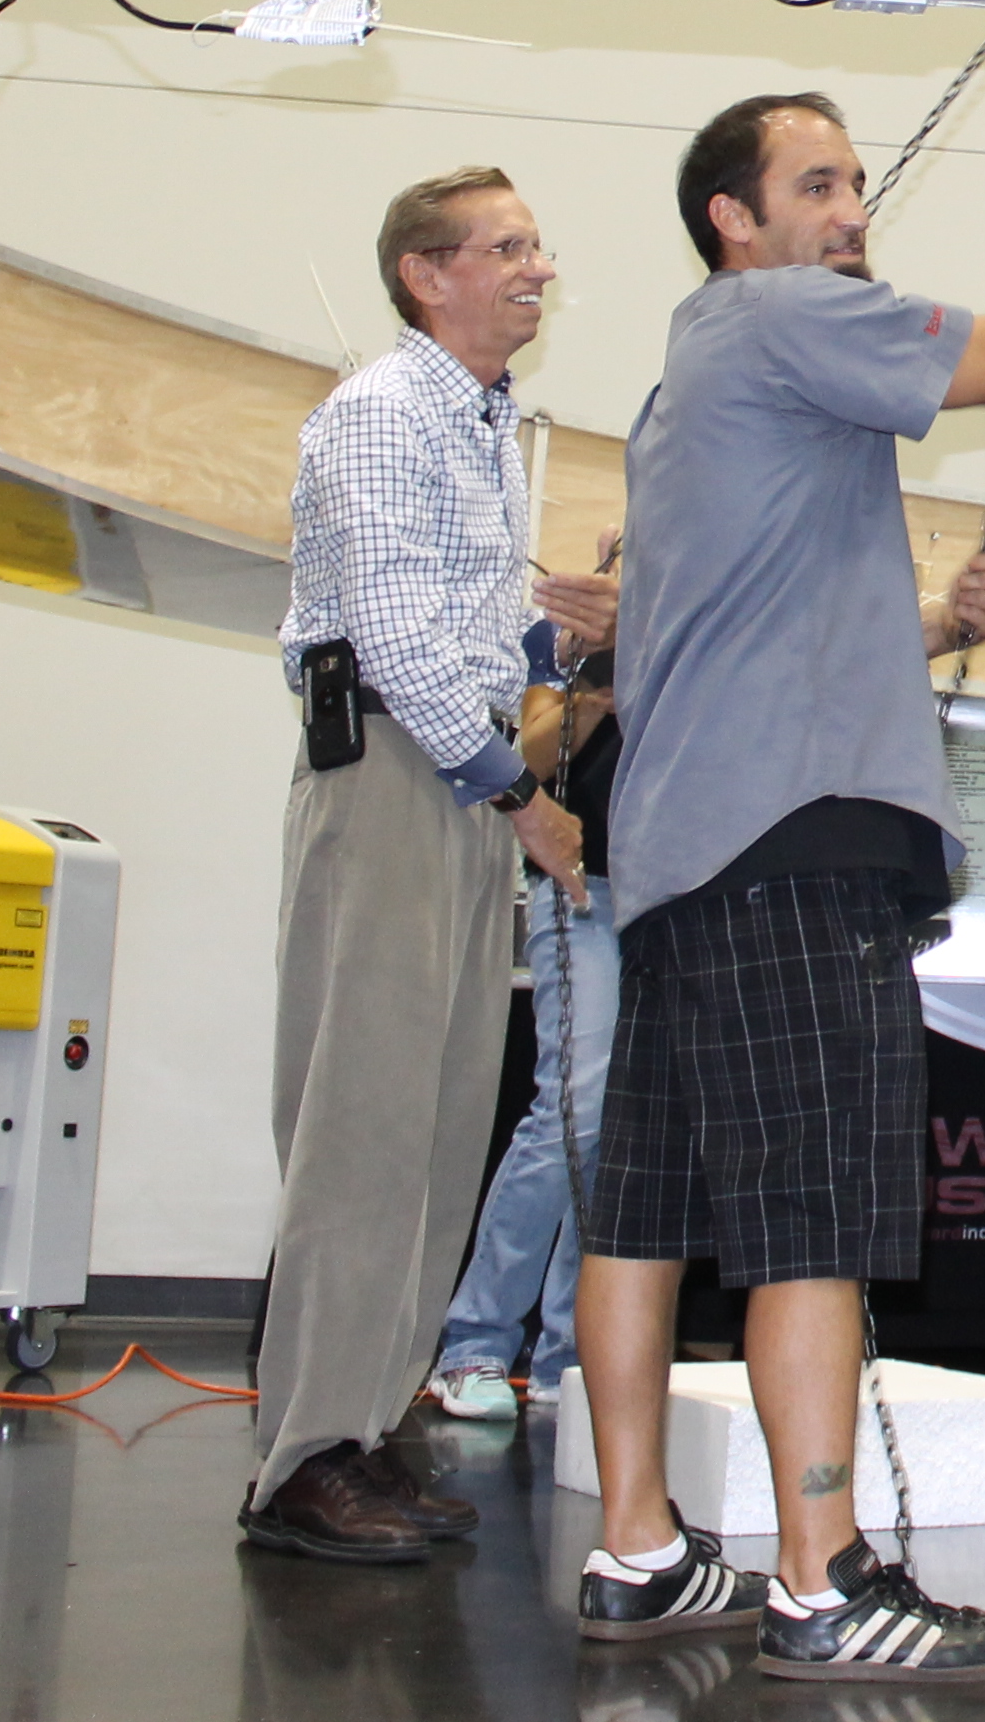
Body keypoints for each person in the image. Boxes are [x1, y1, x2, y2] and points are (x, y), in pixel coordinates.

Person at [569, 81, 985, 1685]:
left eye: (857, 183)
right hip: (796, 844)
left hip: (686, 856)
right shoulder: (786, 315)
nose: (851, 211)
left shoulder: (688, 379)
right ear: (734, 222)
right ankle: (820, 1580)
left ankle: (638, 1548)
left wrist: (930, 627)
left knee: (646, 1210)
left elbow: (749, 615)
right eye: (815, 185)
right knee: (811, 1216)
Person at [248, 169, 594, 1563]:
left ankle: (361, 1427)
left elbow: (463, 630)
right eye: (508, 248)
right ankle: (301, 1461)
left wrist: (560, 643)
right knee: (362, 1131)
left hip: (450, 779)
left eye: (535, 246)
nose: (538, 268)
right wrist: (523, 797)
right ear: (426, 276)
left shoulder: (483, 425)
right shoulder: (386, 414)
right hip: (402, 778)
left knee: (437, 1129)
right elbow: (393, 643)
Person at [425, 534, 624, 1423]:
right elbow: (527, 760)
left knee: (620, 1131)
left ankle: (570, 1356)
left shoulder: (703, 629)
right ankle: (474, 1341)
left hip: (669, 901)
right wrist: (597, 684)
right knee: (574, 1109)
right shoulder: (565, 637)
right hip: (583, 891)